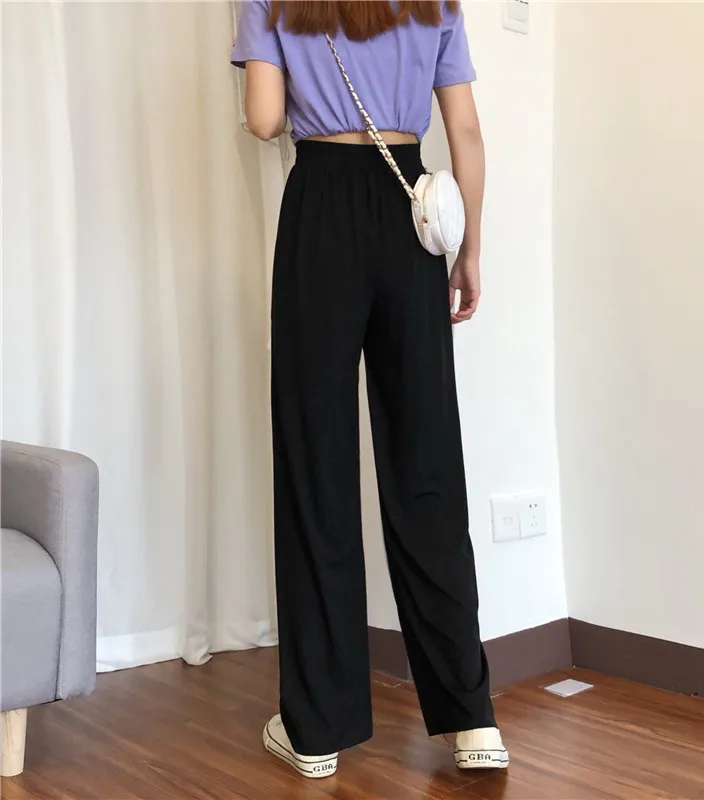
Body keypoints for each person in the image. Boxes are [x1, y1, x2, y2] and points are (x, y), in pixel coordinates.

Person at [231, 0, 507, 778]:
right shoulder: (437, 3)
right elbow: (466, 131)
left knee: (315, 463)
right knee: (427, 464)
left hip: (320, 205)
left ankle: (317, 730)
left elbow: (263, 119)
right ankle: (472, 719)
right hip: (413, 208)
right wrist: (469, 250)